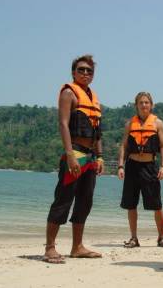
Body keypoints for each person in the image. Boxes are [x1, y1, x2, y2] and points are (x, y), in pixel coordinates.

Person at [44, 55, 104, 264]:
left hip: (90, 157)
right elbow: (63, 124)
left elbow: (97, 132)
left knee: (85, 202)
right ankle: (50, 248)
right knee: (63, 199)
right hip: (75, 154)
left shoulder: (94, 98)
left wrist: (100, 156)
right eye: (81, 70)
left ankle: (77, 247)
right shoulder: (69, 93)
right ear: (73, 72)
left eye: (89, 71)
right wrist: (70, 155)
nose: (85, 73)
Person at [117, 92, 163, 248]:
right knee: (131, 204)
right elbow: (124, 146)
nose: (144, 105)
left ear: (151, 105)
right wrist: (121, 165)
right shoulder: (129, 124)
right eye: (141, 102)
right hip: (132, 166)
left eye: (147, 102)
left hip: (149, 167)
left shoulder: (158, 123)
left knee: (157, 204)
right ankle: (134, 238)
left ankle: (161, 237)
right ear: (136, 105)